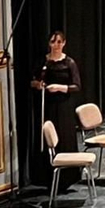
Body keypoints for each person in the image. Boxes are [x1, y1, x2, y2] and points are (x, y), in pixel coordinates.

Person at [31, 31, 81, 189]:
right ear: (49, 43)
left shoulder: (69, 62)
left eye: (59, 42)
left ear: (64, 43)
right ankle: (46, 176)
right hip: (48, 105)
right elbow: (33, 80)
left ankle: (67, 177)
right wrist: (38, 85)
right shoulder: (43, 62)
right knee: (48, 138)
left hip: (64, 106)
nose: (56, 45)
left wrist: (60, 87)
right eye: (54, 42)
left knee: (64, 137)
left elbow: (77, 86)